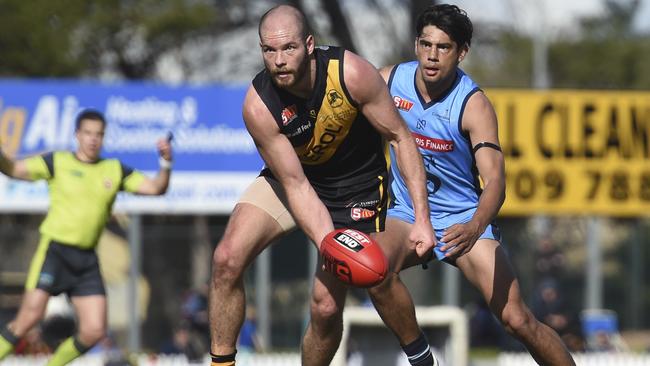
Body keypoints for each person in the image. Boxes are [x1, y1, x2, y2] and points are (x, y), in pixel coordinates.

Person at [208, 5, 436, 366]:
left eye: (289, 49)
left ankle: (421, 356)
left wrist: (422, 218)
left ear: (309, 44)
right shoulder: (258, 105)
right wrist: (330, 245)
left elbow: (400, 138)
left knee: (326, 306)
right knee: (226, 260)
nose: (279, 60)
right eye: (269, 50)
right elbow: (295, 184)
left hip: (355, 188)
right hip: (294, 179)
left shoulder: (352, 74)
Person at [367, 4, 576, 366]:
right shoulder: (388, 81)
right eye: (425, 44)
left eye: (443, 47)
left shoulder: (473, 105)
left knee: (517, 319)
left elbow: (496, 181)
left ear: (461, 52)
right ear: (416, 44)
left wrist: (474, 226)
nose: (431, 56)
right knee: (372, 269)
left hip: (464, 221)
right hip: (407, 213)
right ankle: (421, 357)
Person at [0, 109, 173, 365]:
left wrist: (166, 163)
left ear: (103, 138)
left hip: (86, 260)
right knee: (28, 319)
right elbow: (13, 168)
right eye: (88, 133)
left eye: (98, 134)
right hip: (55, 252)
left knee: (93, 330)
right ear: (77, 135)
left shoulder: (113, 169)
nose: (93, 139)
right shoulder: (57, 162)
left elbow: (156, 188)